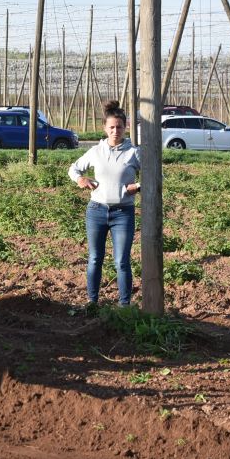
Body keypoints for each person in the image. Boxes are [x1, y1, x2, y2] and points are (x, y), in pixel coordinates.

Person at [68, 100, 141, 307]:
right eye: (111, 127)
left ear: (125, 127)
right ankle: (92, 302)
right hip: (96, 211)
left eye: (119, 127)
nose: (115, 131)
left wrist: (138, 186)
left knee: (121, 262)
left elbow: (156, 174)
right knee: (94, 259)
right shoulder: (95, 151)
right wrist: (80, 179)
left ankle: (124, 305)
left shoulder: (133, 153)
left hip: (123, 213)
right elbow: (73, 169)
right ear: (104, 128)